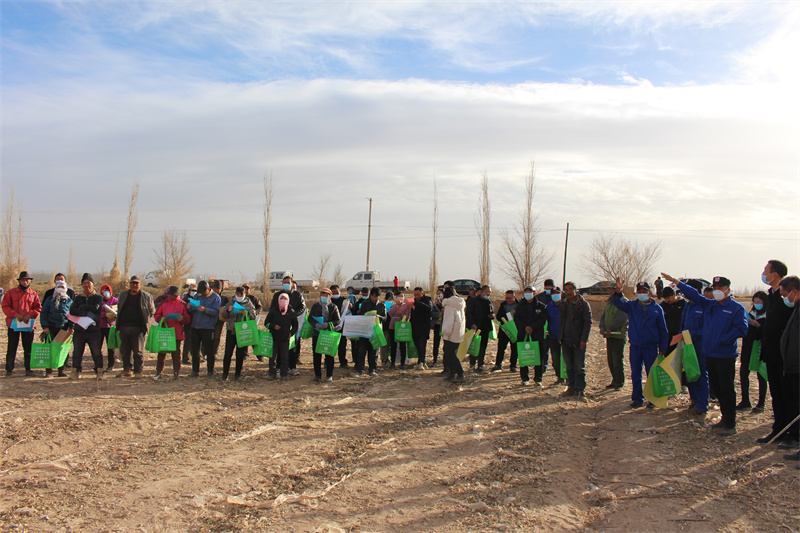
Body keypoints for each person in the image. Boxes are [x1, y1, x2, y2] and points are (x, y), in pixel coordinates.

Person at [662, 273, 748, 436]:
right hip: (710, 354)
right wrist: (677, 283)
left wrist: (723, 339)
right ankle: (724, 419)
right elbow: (694, 294)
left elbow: (741, 329)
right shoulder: (710, 305)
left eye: (720, 288)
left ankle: (731, 422)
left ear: (728, 290)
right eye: (714, 288)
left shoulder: (736, 308)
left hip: (725, 355)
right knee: (717, 389)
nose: (717, 291)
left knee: (727, 389)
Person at [757, 260, 797, 448]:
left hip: (785, 357)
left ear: (776, 274)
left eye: (766, 270)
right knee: (777, 395)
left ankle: (793, 434)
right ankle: (779, 429)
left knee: (789, 395)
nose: (764, 273)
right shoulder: (772, 297)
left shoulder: (787, 300)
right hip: (772, 353)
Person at [612, 279, 669, 409]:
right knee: (636, 373)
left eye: (645, 291)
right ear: (637, 292)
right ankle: (637, 399)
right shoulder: (631, 306)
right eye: (640, 291)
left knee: (651, 373)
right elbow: (617, 302)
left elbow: (663, 330)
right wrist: (618, 290)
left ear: (649, 293)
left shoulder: (657, 309)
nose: (642, 293)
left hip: (651, 346)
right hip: (636, 345)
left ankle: (653, 399)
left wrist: (663, 347)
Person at [2, 271, 42, 377]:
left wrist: (30, 315)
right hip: (14, 324)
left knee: (28, 347)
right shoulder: (11, 293)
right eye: (23, 280)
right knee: (12, 346)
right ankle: (9, 370)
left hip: (28, 325)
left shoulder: (33, 294)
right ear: (19, 281)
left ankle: (28, 369)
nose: (25, 282)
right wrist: (15, 315)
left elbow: (38, 308)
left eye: (27, 280)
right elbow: (5, 306)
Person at [680, 279, 710, 417]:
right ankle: (694, 399)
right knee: (689, 372)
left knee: (701, 373)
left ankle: (702, 404)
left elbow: (707, 329)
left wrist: (692, 334)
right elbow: (683, 325)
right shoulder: (688, 306)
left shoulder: (703, 306)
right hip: (686, 344)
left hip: (699, 345)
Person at [115, 275, 155, 378]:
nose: (134, 285)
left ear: (140, 284)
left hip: (138, 328)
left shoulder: (146, 296)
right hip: (124, 327)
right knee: (125, 350)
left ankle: (138, 371)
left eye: (136, 283)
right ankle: (127, 369)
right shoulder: (123, 295)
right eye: (133, 283)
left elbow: (152, 311)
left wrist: (146, 322)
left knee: (138, 351)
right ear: (130, 284)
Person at [558, 282, 592, 397]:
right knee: (569, 366)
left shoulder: (583, 305)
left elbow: (588, 323)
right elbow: (561, 321)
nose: (568, 292)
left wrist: (584, 340)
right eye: (566, 290)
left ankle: (580, 390)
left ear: (575, 290)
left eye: (570, 289)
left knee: (579, 367)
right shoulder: (563, 304)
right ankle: (571, 388)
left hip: (578, 341)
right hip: (566, 340)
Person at [778, 275, 800, 457]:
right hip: (793, 366)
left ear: (795, 292)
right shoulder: (797, 308)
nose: (785, 299)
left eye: (786, 295)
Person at [70, 273, 106, 379]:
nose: (86, 285)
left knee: (96, 352)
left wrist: (81, 308)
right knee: (77, 352)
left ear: (93, 284)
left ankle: (99, 371)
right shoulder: (77, 298)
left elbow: (96, 309)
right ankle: (75, 371)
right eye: (84, 283)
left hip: (94, 330)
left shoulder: (98, 298)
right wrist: (86, 310)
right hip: (79, 330)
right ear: (81, 285)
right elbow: (72, 310)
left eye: (88, 283)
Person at [737, 291, 768, 412]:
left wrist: (758, 325)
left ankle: (761, 403)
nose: (756, 304)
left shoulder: (767, 316)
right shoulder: (751, 313)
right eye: (755, 301)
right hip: (748, 346)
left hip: (760, 346)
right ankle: (745, 401)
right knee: (744, 373)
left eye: (759, 302)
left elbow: (767, 332)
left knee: (761, 375)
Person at [152, 285, 191, 380]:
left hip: (176, 333)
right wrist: (161, 319)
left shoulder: (182, 304)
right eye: (171, 295)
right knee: (161, 353)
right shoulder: (163, 304)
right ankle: (158, 372)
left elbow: (188, 318)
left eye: (174, 295)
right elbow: (156, 315)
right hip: (164, 332)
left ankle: (176, 372)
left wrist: (183, 319)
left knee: (176, 354)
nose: (172, 297)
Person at [269, 275, 305, 375]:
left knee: (293, 346)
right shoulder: (278, 295)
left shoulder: (297, 295)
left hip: (292, 323)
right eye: (284, 283)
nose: (286, 284)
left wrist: (293, 315)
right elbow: (272, 308)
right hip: (280, 324)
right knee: (280, 347)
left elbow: (302, 307)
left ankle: (293, 367)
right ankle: (280, 367)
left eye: (288, 283)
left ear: (292, 284)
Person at [219, 286, 257, 381]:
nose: (239, 297)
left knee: (240, 354)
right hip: (231, 330)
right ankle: (225, 374)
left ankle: (237, 374)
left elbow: (253, 316)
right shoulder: (231, 303)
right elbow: (223, 315)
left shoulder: (249, 304)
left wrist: (246, 314)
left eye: (241, 295)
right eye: (238, 295)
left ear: (244, 295)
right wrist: (228, 310)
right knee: (228, 353)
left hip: (243, 332)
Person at [514, 285, 547, 386]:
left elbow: (542, 320)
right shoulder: (519, 306)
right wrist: (525, 328)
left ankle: (538, 379)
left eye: (530, 292)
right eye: (526, 292)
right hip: (523, 335)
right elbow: (516, 319)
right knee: (524, 356)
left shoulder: (541, 306)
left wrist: (532, 327)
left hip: (536, 334)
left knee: (538, 357)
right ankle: (524, 378)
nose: (528, 294)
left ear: (534, 293)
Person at [188, 280, 221, 377]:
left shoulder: (215, 297)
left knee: (209, 351)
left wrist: (205, 309)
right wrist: (190, 307)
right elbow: (192, 309)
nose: (201, 294)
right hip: (195, 326)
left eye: (203, 292)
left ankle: (210, 371)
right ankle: (195, 371)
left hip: (207, 328)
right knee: (195, 350)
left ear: (208, 289)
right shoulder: (197, 296)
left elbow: (216, 312)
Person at [39, 279, 73, 377]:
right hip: (51, 328)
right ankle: (48, 371)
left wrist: (71, 326)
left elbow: (72, 315)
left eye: (62, 287)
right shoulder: (50, 300)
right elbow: (44, 313)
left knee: (61, 350)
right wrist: (45, 326)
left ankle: (61, 370)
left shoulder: (69, 301)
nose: (60, 289)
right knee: (50, 350)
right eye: (59, 287)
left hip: (63, 329)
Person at [309, 287, 341, 382]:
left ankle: (329, 375)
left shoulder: (333, 307)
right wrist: (316, 324)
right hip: (317, 333)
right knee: (317, 354)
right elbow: (310, 318)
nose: (324, 296)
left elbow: (338, 320)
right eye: (323, 294)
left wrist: (327, 324)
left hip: (328, 333)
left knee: (329, 355)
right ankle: (317, 375)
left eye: (326, 295)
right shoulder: (315, 306)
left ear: (330, 296)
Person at [600, 284, 628, 390]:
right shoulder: (610, 302)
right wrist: (602, 326)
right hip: (609, 335)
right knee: (611, 360)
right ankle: (614, 380)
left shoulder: (623, 301)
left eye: (612, 289)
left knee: (617, 360)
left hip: (618, 335)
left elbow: (622, 318)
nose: (610, 291)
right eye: (610, 289)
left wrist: (611, 327)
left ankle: (619, 382)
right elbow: (604, 316)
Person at [264, 293, 298, 380]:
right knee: (273, 357)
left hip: (285, 338)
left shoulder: (291, 312)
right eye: (281, 299)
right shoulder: (273, 310)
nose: (283, 300)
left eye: (285, 299)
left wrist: (291, 333)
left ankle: (284, 374)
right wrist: (273, 326)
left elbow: (295, 325)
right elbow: (266, 322)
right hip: (274, 337)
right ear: (278, 300)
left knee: (285, 357)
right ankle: (272, 373)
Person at [355, 287, 386, 376]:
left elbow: (385, 318)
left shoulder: (381, 305)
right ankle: (359, 370)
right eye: (373, 296)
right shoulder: (364, 304)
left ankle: (372, 370)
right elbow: (360, 314)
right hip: (364, 331)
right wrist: (366, 315)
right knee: (361, 351)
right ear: (370, 295)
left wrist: (378, 316)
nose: (374, 298)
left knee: (374, 352)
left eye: (376, 297)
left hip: (375, 331)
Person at [441, 287, 466, 383]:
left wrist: (446, 333)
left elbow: (449, 321)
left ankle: (460, 373)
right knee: (452, 353)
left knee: (451, 354)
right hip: (458, 332)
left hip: (450, 333)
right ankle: (452, 373)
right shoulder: (460, 304)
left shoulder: (449, 305)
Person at [467, 285, 494, 372]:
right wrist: (472, 324)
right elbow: (468, 313)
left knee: (483, 346)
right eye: (487, 292)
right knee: (474, 346)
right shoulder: (473, 301)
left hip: (485, 327)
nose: (489, 294)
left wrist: (492, 316)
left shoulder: (489, 302)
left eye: (490, 292)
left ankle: (480, 364)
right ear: (482, 292)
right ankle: (472, 364)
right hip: (475, 327)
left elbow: (492, 313)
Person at [492, 290, 519, 372]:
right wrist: (507, 316)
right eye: (507, 298)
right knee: (501, 348)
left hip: (515, 329)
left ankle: (513, 366)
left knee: (514, 349)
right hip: (504, 329)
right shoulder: (503, 304)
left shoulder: (519, 305)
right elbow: (499, 316)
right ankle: (498, 365)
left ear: (514, 297)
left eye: (510, 298)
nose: (508, 300)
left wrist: (515, 313)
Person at [409, 287, 433, 369]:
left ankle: (422, 361)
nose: (416, 296)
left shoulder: (427, 300)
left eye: (418, 295)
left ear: (422, 294)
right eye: (415, 295)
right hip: (415, 327)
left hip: (424, 327)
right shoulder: (413, 301)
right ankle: (421, 361)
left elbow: (429, 308)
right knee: (417, 345)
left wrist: (418, 303)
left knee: (422, 344)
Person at [387, 292, 411, 368]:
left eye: (402, 296)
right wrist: (396, 305)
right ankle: (392, 362)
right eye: (399, 296)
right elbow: (390, 313)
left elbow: (407, 316)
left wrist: (401, 315)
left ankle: (402, 363)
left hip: (402, 327)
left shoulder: (406, 306)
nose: (400, 298)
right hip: (393, 326)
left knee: (402, 345)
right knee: (393, 345)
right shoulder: (393, 305)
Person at [545, 287, 564, 383]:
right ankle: (559, 377)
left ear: (561, 294)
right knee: (555, 359)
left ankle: (568, 378)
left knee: (566, 359)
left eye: (557, 293)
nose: (555, 295)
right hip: (553, 336)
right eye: (553, 294)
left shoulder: (566, 305)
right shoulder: (548, 307)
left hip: (565, 336)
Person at [329, 285, 349, 368]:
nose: (335, 294)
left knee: (342, 345)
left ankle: (343, 362)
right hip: (331, 325)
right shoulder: (328, 301)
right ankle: (329, 362)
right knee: (330, 344)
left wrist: (350, 306)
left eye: (336, 293)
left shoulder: (344, 300)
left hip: (342, 326)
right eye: (333, 293)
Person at [100, 284, 119, 371]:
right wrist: (105, 314)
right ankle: (99, 365)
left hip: (111, 327)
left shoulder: (115, 301)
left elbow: (118, 311)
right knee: (97, 347)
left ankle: (110, 365)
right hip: (100, 326)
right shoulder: (99, 301)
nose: (106, 293)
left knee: (111, 347)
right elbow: (95, 312)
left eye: (108, 290)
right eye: (104, 291)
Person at [242, 283, 264, 360]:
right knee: (244, 337)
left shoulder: (254, 298)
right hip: (243, 320)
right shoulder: (240, 298)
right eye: (244, 289)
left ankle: (259, 355)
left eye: (247, 289)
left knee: (254, 337)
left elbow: (260, 307)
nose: (246, 290)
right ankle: (244, 354)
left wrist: (255, 313)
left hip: (252, 320)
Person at [210, 280, 229, 363]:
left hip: (219, 321)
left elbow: (228, 307)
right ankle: (207, 353)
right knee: (208, 336)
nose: (216, 290)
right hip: (209, 320)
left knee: (217, 337)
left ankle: (214, 352)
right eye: (215, 288)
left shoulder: (224, 298)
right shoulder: (209, 297)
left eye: (218, 288)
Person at [180, 282, 197, 365]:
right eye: (192, 290)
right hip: (188, 323)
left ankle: (195, 357)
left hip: (196, 322)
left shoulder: (198, 299)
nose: (194, 292)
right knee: (188, 341)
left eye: (195, 290)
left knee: (195, 341)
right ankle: (185, 358)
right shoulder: (185, 300)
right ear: (189, 290)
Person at [430, 289, 444, 368]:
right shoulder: (434, 304)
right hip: (437, 325)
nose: (438, 295)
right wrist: (439, 314)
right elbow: (431, 313)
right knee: (436, 342)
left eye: (440, 294)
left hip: (445, 325)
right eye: (437, 294)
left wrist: (441, 304)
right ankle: (434, 359)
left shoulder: (446, 303)